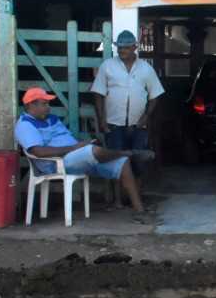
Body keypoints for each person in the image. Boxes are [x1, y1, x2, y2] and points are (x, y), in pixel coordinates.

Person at [14, 87, 150, 220]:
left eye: (48, 103)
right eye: (44, 104)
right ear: (31, 105)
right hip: (56, 163)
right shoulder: (25, 125)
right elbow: (38, 152)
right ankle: (127, 152)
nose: (48, 107)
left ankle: (139, 210)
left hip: (74, 158)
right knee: (93, 150)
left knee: (122, 163)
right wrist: (75, 148)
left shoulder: (51, 119)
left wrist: (79, 147)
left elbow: (66, 140)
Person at [91, 30, 164, 184]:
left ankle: (136, 198)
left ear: (134, 47)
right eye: (119, 47)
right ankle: (117, 201)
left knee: (138, 162)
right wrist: (102, 121)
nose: (121, 50)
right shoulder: (108, 66)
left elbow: (155, 96)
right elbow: (98, 94)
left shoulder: (146, 68)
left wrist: (145, 117)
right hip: (113, 124)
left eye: (125, 47)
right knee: (116, 162)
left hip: (138, 125)